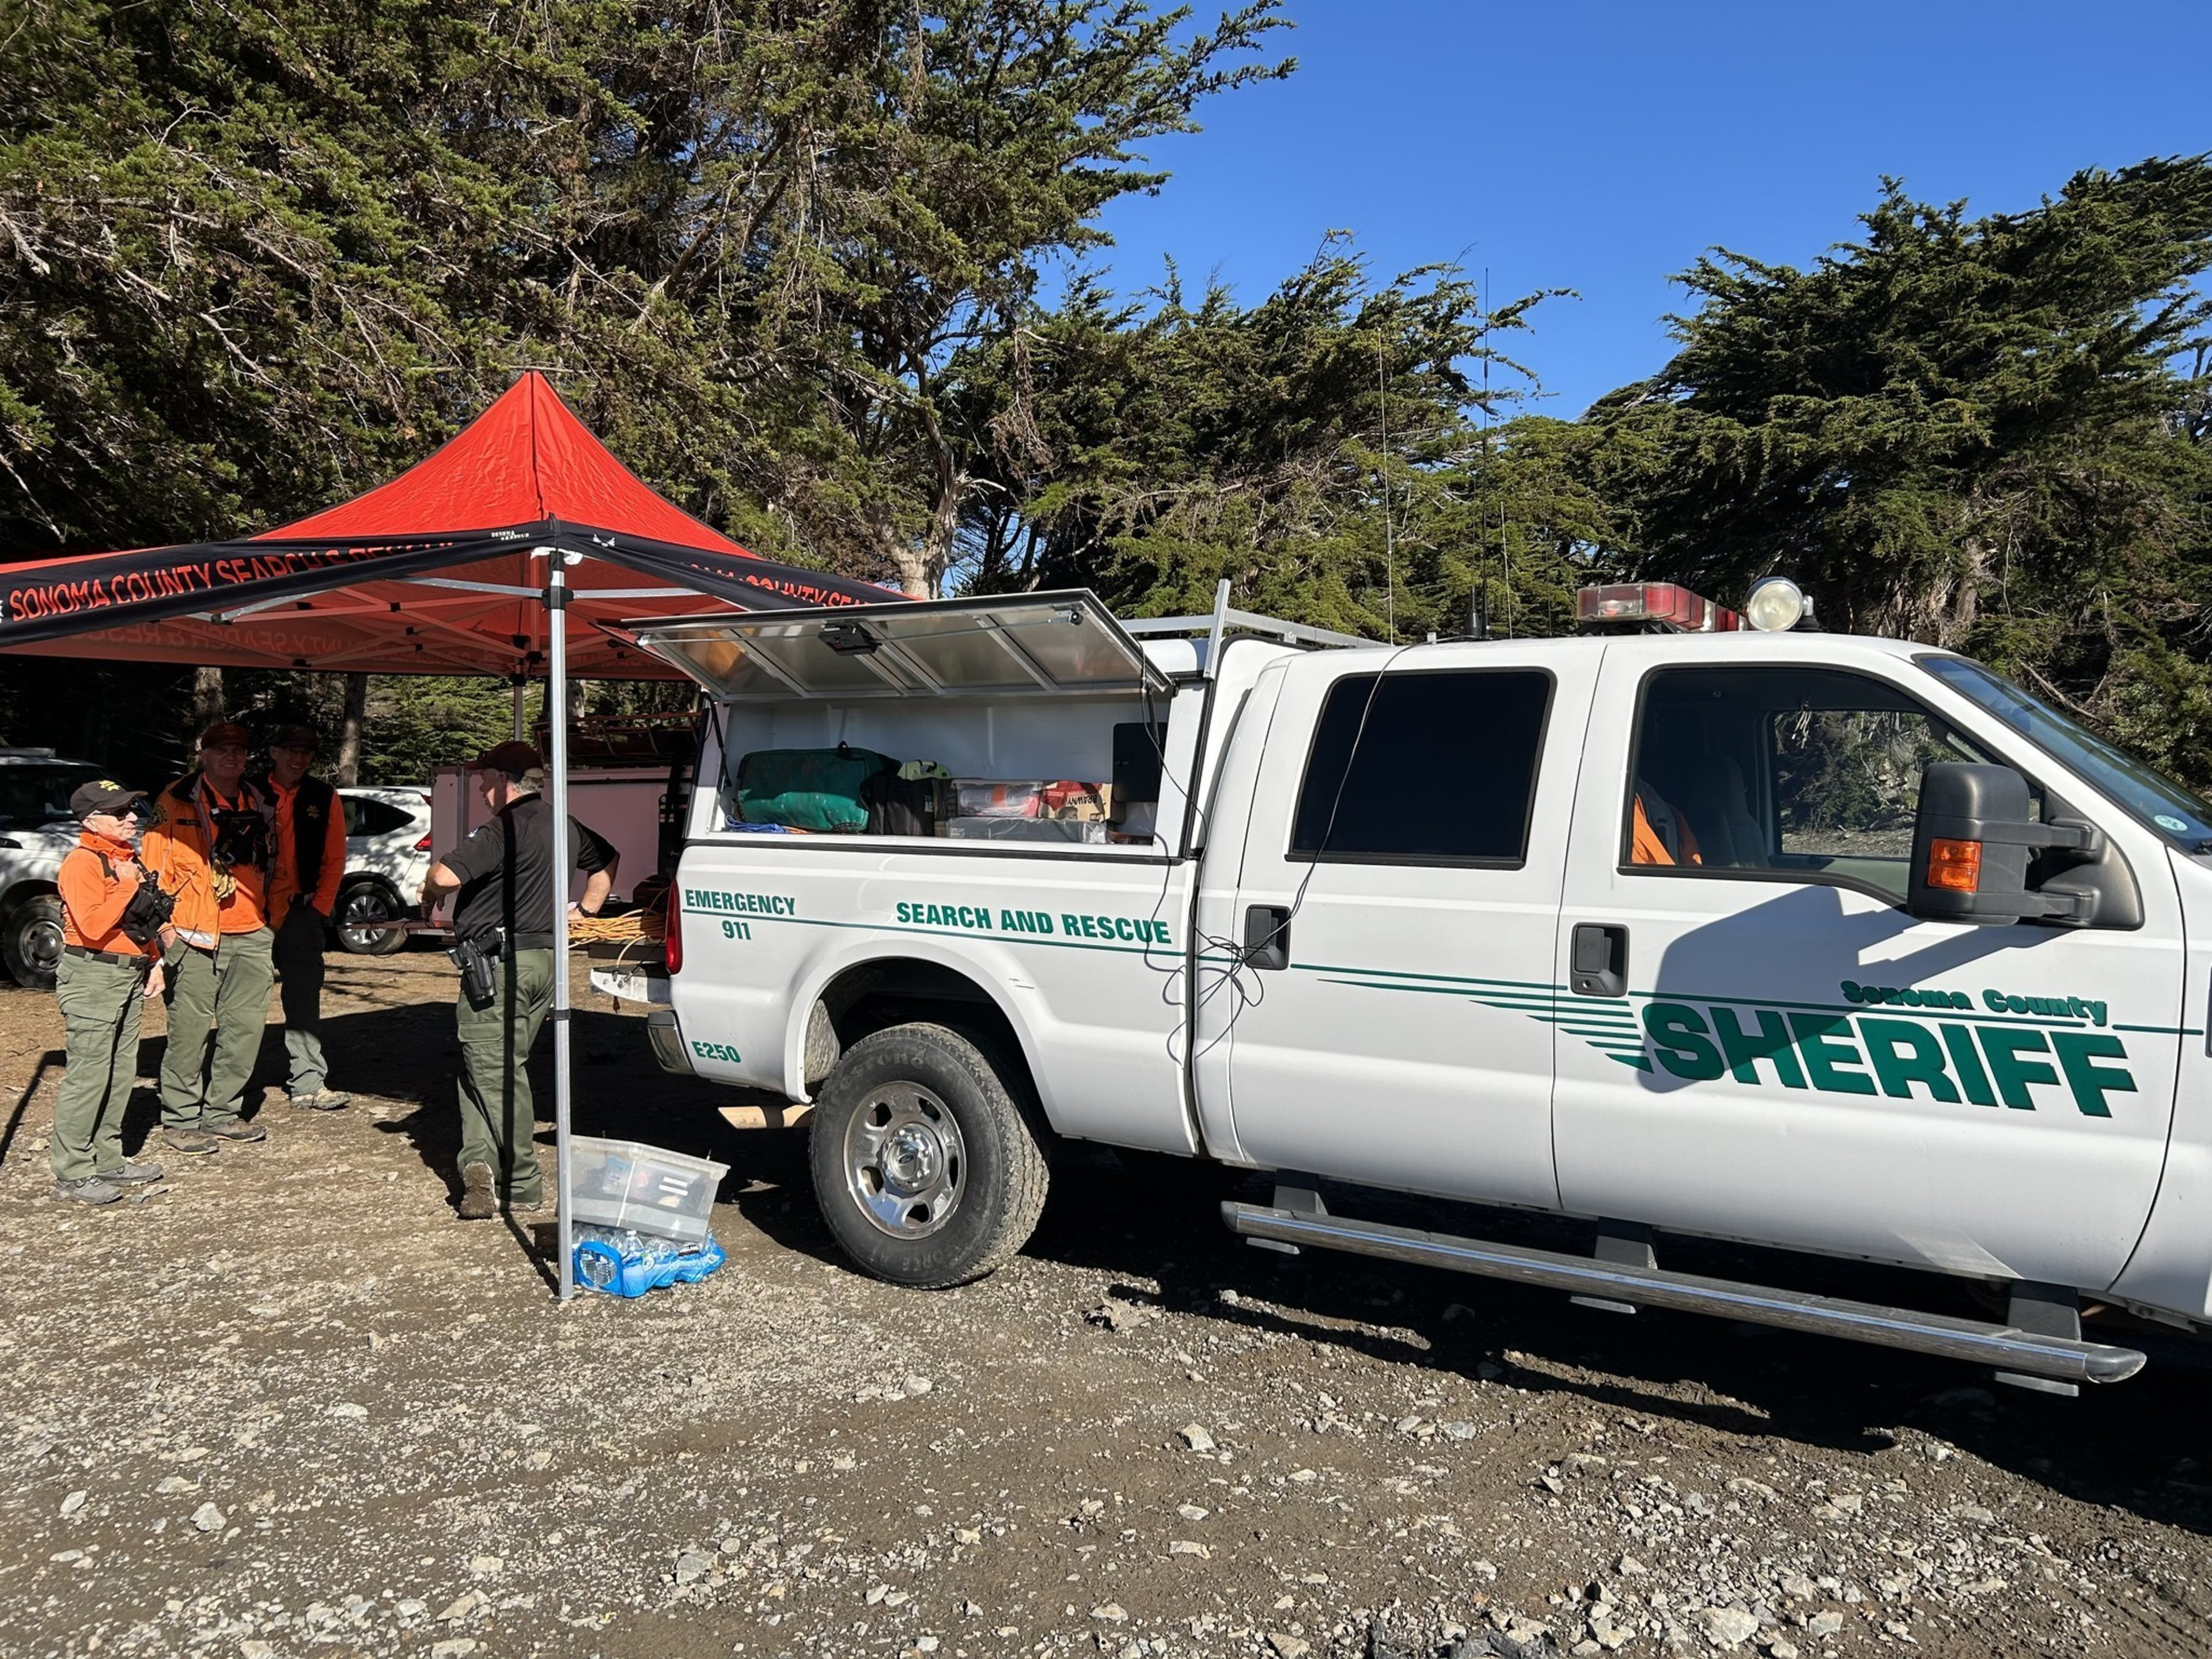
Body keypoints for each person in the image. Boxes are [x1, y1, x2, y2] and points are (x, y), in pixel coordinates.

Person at [419, 741, 616, 1221]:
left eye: (485, 779)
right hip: (542, 962)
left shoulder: (503, 827)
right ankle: (479, 1168)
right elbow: (607, 861)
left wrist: (428, 887)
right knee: (483, 1068)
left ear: (505, 781)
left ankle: (523, 1180)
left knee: (495, 1069)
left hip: (499, 966)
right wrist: (586, 910)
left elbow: (446, 875)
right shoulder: (562, 823)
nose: (482, 789)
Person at [143, 721, 278, 1154]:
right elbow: (153, 869)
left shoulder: (259, 799)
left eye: (239, 750)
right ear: (203, 754)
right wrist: (162, 932)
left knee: (244, 1028)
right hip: (192, 931)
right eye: (222, 750)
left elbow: (279, 860)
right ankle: (181, 1118)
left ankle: (222, 1112)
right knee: (189, 1029)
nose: (232, 757)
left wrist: (275, 916)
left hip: (252, 929)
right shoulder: (177, 799)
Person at [50, 779, 169, 1203]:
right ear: (91, 820)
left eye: (131, 809)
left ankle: (108, 1159)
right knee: (89, 1075)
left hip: (128, 972)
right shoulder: (83, 863)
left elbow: (140, 921)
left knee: (121, 1071)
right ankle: (73, 1171)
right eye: (120, 813)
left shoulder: (126, 861)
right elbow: (94, 926)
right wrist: (124, 884)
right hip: (93, 976)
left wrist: (154, 960)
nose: (132, 817)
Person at [262, 724, 350, 1111]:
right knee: (241, 1000)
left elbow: (335, 857)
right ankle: (228, 1089)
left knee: (303, 1000)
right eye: (291, 751)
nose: (299, 759)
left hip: (301, 911)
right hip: (252, 912)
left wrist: (320, 908)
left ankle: (308, 1082)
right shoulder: (249, 791)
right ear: (274, 752)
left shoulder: (323, 795)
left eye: (307, 753)